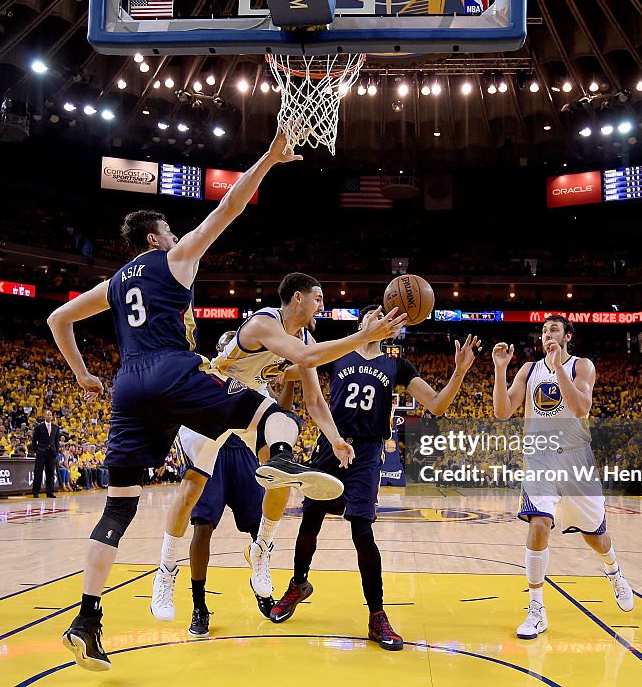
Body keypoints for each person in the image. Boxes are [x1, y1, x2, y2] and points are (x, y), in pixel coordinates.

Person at [49, 130, 404, 672]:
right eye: (168, 230)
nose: (175, 234)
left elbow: (58, 319)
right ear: (154, 239)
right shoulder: (175, 259)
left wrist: (83, 376)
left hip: (127, 385)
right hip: (177, 373)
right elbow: (232, 204)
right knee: (271, 418)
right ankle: (264, 476)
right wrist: (270, 157)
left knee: (119, 505)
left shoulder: (116, 283)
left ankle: (87, 620)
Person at [150, 273, 403, 626]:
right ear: (297, 298)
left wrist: (334, 439)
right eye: (318, 298)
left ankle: (262, 548)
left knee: (281, 460)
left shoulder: (305, 337)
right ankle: (165, 570)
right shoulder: (263, 322)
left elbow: (314, 401)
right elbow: (304, 355)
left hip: (249, 402)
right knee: (191, 489)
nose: (322, 305)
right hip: (212, 395)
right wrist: (364, 336)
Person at [270, 304, 481, 651]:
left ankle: (377, 614)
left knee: (362, 530)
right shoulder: (338, 351)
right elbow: (298, 368)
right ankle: (298, 584)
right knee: (310, 520)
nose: (382, 318)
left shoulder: (398, 364)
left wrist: (458, 372)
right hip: (330, 443)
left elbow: (437, 404)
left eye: (388, 316)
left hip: (367, 452)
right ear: (364, 322)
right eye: (376, 314)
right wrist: (277, 372)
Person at [492, 314, 634, 640]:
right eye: (543, 330)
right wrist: (501, 370)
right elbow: (503, 411)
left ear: (567, 335)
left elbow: (582, 407)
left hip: (576, 460)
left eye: (554, 329)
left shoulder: (581, 366)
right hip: (540, 458)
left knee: (595, 537)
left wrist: (558, 368)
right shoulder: (528, 370)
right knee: (539, 524)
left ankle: (613, 571)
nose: (547, 334)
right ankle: (536, 609)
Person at [184, 331, 294, 637]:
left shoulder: (257, 381)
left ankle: (262, 588)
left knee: (257, 528)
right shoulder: (208, 375)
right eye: (226, 344)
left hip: (243, 455)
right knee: (202, 527)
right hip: (212, 455)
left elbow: (279, 414)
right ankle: (199, 605)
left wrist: (290, 382)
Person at [31, 410, 62, 498]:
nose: (49, 416)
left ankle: (50, 492)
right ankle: (36, 491)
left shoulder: (55, 427)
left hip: (51, 453)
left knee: (50, 473)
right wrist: (36, 450)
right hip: (41, 452)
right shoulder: (39, 427)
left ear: (52, 417)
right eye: (47, 414)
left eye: (50, 415)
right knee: (38, 472)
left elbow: (56, 441)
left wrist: (56, 451)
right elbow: (34, 440)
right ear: (44, 416)